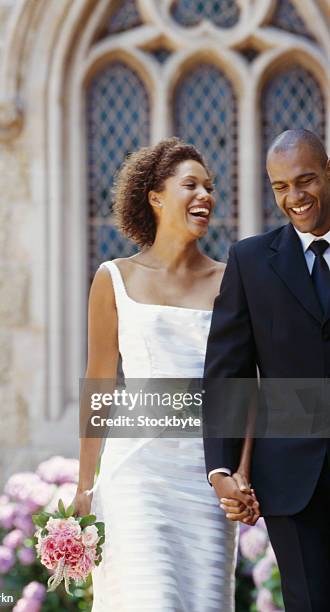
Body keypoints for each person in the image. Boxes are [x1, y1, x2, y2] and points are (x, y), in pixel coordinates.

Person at [72, 138, 256, 611]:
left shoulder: (231, 280)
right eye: (190, 184)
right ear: (155, 197)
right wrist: (84, 486)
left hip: (206, 481)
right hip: (137, 476)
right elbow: (99, 386)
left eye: (210, 187)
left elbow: (246, 388)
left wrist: (240, 473)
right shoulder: (113, 277)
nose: (205, 196)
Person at [203, 129, 330, 611]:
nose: (294, 198)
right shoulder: (251, 261)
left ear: (328, 172)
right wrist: (222, 464)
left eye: (306, 181)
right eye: (280, 187)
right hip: (292, 478)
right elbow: (228, 371)